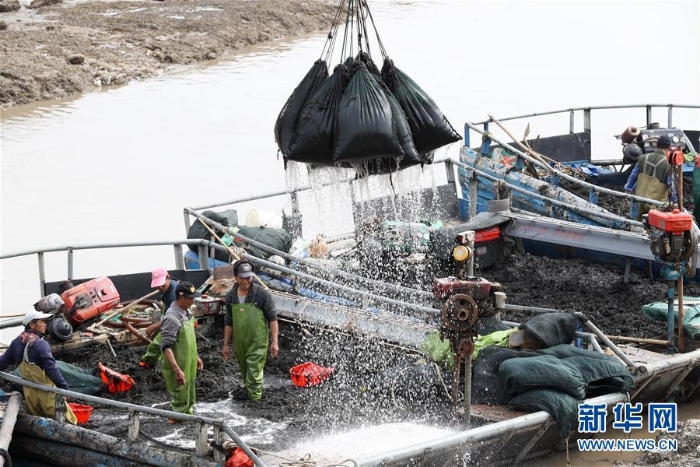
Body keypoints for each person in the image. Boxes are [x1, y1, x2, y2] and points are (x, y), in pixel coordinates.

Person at [0, 310, 78, 424]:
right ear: (32, 324)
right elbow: (52, 369)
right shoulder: (40, 344)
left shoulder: (16, 342)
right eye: (42, 321)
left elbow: (2, 363)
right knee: (65, 422)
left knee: (37, 422)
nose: (46, 324)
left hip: (30, 393)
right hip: (46, 394)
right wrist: (65, 389)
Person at [222, 260, 279, 401]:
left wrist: (274, 342)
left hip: (257, 341)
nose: (246, 281)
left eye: (249, 277)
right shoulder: (231, 297)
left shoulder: (261, 294)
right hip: (240, 342)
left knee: (254, 372)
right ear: (235, 277)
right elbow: (229, 322)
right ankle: (251, 395)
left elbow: (273, 318)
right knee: (245, 370)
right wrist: (226, 344)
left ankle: (255, 402)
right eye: (242, 277)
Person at [160, 281, 203, 418]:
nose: (193, 301)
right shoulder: (172, 317)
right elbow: (166, 346)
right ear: (181, 297)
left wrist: (195, 357)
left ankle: (187, 416)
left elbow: (189, 339)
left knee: (189, 389)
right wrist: (177, 370)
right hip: (178, 364)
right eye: (190, 298)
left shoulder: (187, 313)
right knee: (180, 392)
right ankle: (177, 418)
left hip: (188, 362)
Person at [624, 135, 676, 220]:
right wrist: (675, 202)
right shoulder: (668, 165)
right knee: (653, 227)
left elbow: (633, 176)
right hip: (655, 204)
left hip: (639, 200)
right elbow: (671, 186)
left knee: (639, 223)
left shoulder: (643, 158)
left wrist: (628, 190)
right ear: (669, 147)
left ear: (657, 145)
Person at [139, 268, 180, 368]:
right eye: (158, 286)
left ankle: (148, 363)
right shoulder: (169, 285)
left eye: (162, 285)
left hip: (176, 320)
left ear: (168, 277)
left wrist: (152, 327)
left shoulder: (173, 296)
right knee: (157, 336)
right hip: (169, 314)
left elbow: (169, 320)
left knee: (156, 345)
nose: (160, 288)